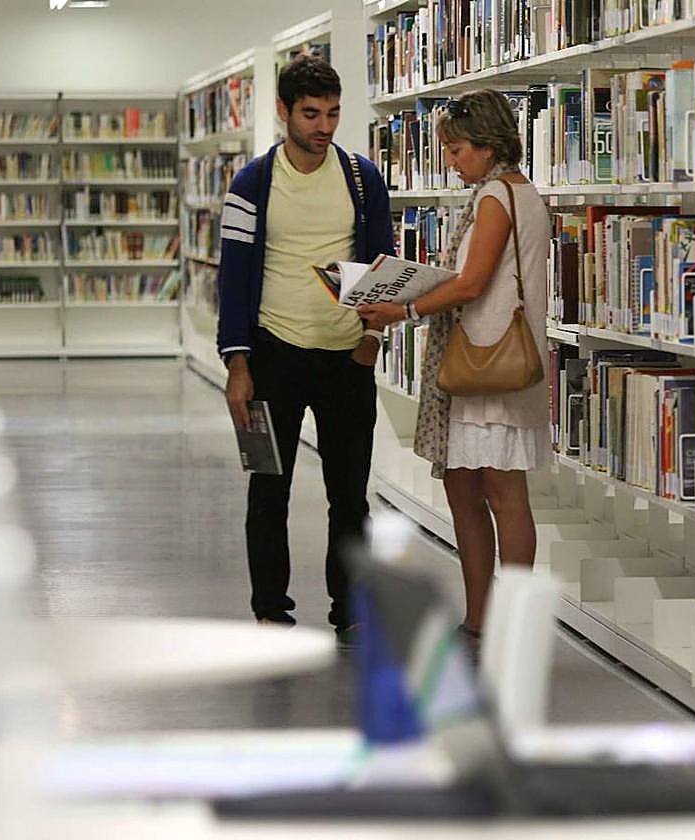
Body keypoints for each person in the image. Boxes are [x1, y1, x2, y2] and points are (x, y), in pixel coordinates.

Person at [355, 89, 551, 655]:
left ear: (490, 147)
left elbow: (471, 284)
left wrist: (405, 308)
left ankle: (511, 622)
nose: (451, 160)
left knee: (501, 490)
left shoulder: (497, 197)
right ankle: (479, 617)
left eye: (459, 149)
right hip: (480, 362)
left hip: (491, 364)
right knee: (467, 489)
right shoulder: (514, 193)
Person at [216, 55, 394, 646]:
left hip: (347, 360)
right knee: (269, 486)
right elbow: (234, 277)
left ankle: (351, 607)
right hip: (273, 356)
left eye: (334, 113)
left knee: (350, 494)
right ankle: (270, 607)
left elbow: (383, 268)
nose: (324, 125)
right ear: (284, 112)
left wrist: (371, 341)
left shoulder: (364, 179)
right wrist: (237, 365)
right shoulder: (252, 185)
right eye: (311, 113)